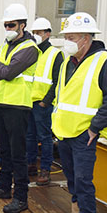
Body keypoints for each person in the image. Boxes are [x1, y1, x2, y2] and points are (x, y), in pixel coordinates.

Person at [50, 12, 107, 213]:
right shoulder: (66, 62)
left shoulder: (105, 61)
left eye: (71, 37)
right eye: (66, 36)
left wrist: (95, 127)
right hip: (64, 132)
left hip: (85, 135)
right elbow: (62, 95)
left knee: (83, 181)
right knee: (71, 178)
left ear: (86, 38)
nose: (67, 41)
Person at [0, 3, 39, 213]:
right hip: (2, 103)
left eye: (12, 25)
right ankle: (3, 187)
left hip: (18, 105)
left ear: (22, 25)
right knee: (4, 150)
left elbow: (7, 72)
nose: (8, 29)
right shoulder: (5, 46)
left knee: (18, 153)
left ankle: (21, 197)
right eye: (6, 25)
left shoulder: (30, 49)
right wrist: (0, 69)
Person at [27, 17, 61, 186]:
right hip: (30, 102)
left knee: (45, 137)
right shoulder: (34, 52)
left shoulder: (56, 54)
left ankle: (45, 169)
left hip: (43, 105)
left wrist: (45, 102)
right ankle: (31, 164)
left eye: (39, 33)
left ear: (48, 34)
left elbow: (57, 81)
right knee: (30, 136)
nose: (36, 36)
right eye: (34, 33)